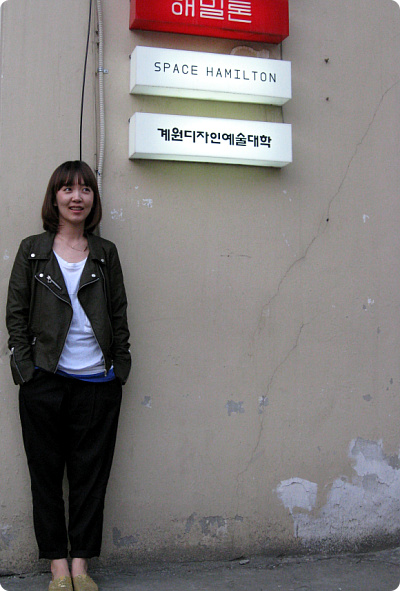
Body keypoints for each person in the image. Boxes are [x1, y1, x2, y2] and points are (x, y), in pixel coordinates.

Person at [6, 161, 131, 591]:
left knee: (90, 480)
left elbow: (119, 314)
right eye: (68, 189)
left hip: (98, 384)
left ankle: (81, 566)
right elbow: (16, 315)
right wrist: (26, 370)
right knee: (45, 478)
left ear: (93, 199)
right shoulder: (32, 250)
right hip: (44, 381)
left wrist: (120, 368)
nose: (77, 197)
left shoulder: (105, 253)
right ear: (55, 197)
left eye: (85, 189)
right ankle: (58, 567)